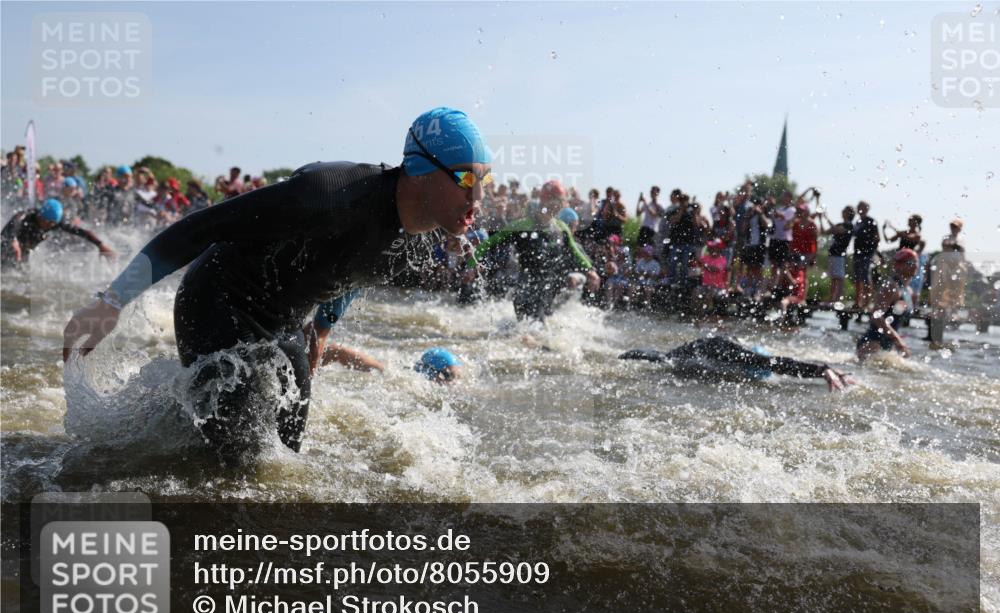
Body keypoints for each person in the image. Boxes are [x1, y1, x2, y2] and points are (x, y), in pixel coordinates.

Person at [62, 107, 490, 460]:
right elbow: (199, 228)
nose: (478, 199)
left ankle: (178, 416)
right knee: (240, 461)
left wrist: (323, 328)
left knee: (284, 457)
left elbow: (358, 269)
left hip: (285, 322)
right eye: (467, 180)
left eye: (484, 181)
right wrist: (112, 301)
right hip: (219, 300)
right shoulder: (331, 194)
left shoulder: (425, 236)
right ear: (420, 169)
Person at [470, 179, 600, 322]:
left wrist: (590, 270)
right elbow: (489, 243)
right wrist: (471, 265)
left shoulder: (561, 228)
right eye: (560, 200)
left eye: (563, 200)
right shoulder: (522, 226)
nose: (563, 204)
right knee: (534, 329)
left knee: (544, 329)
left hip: (549, 291)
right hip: (526, 290)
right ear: (546, 201)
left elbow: (575, 251)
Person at [621, 337, 852, 391]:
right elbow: (781, 364)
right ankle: (625, 355)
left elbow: (783, 364)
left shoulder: (748, 358)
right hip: (705, 347)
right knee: (664, 359)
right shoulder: (746, 359)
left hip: (719, 347)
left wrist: (827, 369)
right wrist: (822, 371)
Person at [2, 198, 114, 266]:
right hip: (6, 248)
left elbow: (80, 232)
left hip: (23, 253)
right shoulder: (27, 215)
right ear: (41, 216)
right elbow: (11, 225)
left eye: (53, 224)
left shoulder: (54, 223)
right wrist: (13, 240)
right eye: (48, 223)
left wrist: (100, 245)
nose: (50, 226)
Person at [856, 248, 920, 362]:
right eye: (910, 262)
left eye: (916, 262)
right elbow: (876, 316)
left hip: (888, 346)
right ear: (898, 265)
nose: (915, 266)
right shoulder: (891, 286)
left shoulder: (909, 291)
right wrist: (898, 340)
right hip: (873, 342)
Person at [819, 205, 854, 305]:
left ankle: (837, 300)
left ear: (849, 214)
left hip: (839, 255)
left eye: (845, 210)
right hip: (833, 254)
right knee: (834, 278)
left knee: (839, 278)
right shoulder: (840, 224)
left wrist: (826, 217)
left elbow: (838, 230)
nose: (842, 211)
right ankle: (832, 299)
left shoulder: (849, 225)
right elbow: (824, 232)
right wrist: (820, 219)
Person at [851, 200, 880, 312]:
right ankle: (858, 302)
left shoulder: (871, 221)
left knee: (866, 277)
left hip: (868, 253)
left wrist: (874, 251)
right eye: (858, 207)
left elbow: (877, 238)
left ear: (867, 209)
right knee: (857, 278)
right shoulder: (857, 222)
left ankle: (867, 302)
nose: (859, 209)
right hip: (857, 253)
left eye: (862, 207)